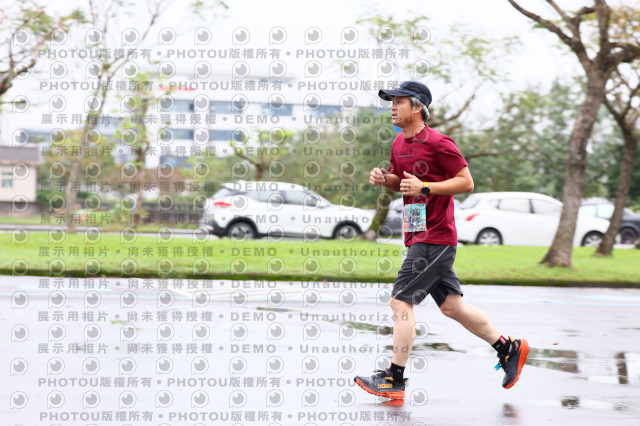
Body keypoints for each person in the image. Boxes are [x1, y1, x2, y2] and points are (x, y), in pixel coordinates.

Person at [354, 80, 529, 400]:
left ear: (417, 107)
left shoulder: (439, 143)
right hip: (418, 234)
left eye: (399, 101)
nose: (392, 107)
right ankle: (508, 348)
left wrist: (426, 187)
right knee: (452, 307)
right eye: (391, 102)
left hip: (435, 236)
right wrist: (384, 179)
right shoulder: (399, 143)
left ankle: (394, 378)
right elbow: (399, 181)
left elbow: (466, 182)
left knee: (400, 301)